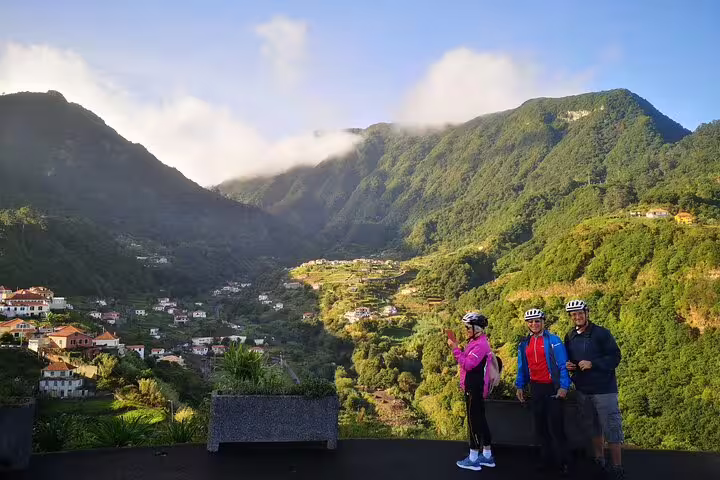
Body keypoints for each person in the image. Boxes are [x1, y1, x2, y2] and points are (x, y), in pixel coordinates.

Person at [564, 300, 624, 480]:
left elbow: (615, 356)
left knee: (612, 428)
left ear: (587, 313)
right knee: (593, 428)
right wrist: (569, 366)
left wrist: (593, 364)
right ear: (570, 317)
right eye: (574, 314)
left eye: (580, 313)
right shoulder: (570, 336)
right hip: (583, 391)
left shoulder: (601, 333)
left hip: (604, 390)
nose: (577, 316)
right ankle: (599, 460)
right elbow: (571, 360)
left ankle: (617, 467)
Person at [515, 308, 571, 475]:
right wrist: (520, 386)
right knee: (541, 428)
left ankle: (563, 462)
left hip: (552, 388)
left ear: (543, 322)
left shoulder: (554, 340)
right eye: (530, 322)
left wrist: (564, 387)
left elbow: (563, 365)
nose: (534, 324)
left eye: (537, 321)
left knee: (556, 427)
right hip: (536, 387)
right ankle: (546, 461)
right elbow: (522, 367)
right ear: (527, 324)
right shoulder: (524, 343)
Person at [448, 312, 497, 471]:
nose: (466, 330)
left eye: (468, 327)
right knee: (481, 420)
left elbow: (468, 365)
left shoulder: (480, 345)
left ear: (478, 328)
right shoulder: (477, 342)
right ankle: (488, 456)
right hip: (476, 385)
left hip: (473, 387)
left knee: (473, 422)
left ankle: (473, 458)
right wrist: (459, 349)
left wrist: (455, 350)